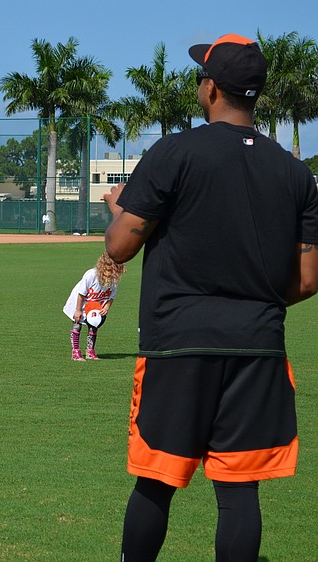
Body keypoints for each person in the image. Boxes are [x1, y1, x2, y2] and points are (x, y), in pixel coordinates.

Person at [103, 34, 318, 561]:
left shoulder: (175, 150)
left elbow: (120, 245)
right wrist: (253, 303)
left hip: (178, 342)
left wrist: (119, 211)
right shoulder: (296, 173)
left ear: (212, 88)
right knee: (240, 491)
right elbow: (309, 279)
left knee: (156, 482)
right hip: (257, 346)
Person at [61, 251, 123, 361]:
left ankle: (90, 351)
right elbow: (81, 293)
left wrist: (107, 307)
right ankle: (75, 352)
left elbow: (112, 296)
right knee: (77, 324)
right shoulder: (92, 275)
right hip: (80, 302)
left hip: (96, 305)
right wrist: (78, 310)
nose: (112, 271)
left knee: (94, 326)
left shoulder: (113, 279)